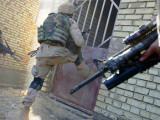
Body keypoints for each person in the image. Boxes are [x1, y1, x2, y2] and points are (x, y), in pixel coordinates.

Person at [19, 2, 91, 120]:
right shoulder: (70, 21)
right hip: (59, 55)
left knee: (37, 80)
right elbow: (80, 42)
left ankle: (25, 107)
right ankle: (88, 74)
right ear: (71, 13)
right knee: (77, 55)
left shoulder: (49, 18)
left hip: (42, 54)